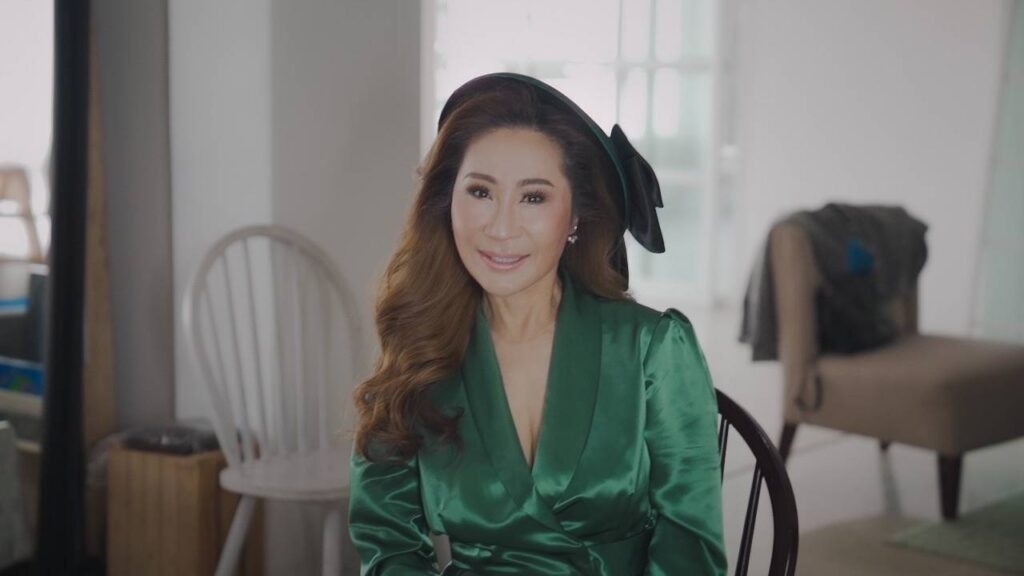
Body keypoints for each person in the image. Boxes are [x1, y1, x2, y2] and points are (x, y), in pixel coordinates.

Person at [348, 72, 727, 575]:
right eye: (480, 192)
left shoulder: (652, 349)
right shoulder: (422, 345)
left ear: (575, 217)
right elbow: (386, 540)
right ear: (447, 201)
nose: (501, 228)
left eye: (533, 198)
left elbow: (690, 548)